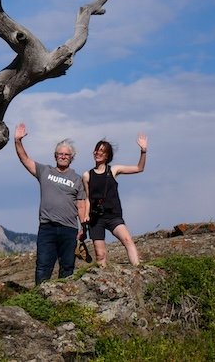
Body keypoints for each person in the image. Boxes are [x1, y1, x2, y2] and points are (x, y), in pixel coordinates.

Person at [14, 122, 89, 284]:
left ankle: (64, 302)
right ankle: (40, 299)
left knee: (67, 267)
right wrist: (18, 141)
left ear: (72, 158)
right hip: (47, 227)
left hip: (69, 229)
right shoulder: (45, 171)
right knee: (43, 266)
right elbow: (25, 159)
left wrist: (84, 227)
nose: (63, 156)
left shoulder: (77, 179)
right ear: (55, 156)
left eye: (66, 155)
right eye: (60, 154)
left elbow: (81, 205)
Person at [82, 134, 148, 267]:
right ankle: (102, 280)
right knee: (100, 254)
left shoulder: (113, 170)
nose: (98, 153)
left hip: (113, 215)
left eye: (102, 151)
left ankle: (138, 270)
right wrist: (85, 216)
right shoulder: (87, 175)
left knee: (127, 240)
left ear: (107, 156)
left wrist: (143, 151)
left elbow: (139, 168)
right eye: (97, 150)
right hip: (96, 219)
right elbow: (88, 198)